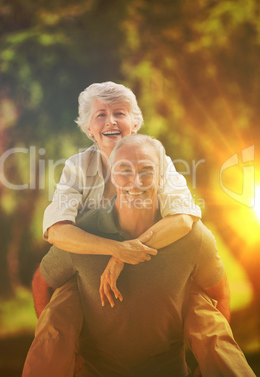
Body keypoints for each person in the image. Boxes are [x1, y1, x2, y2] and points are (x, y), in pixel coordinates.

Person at [25, 134, 255, 376]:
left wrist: (207, 365)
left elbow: (218, 295)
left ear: (162, 177)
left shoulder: (193, 237)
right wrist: (65, 354)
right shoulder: (82, 234)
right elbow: (42, 283)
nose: (136, 182)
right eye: (124, 170)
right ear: (112, 176)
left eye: (146, 170)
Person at [22, 82, 201, 377]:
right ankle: (63, 356)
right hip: (87, 260)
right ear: (89, 129)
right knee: (54, 297)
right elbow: (56, 230)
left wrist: (123, 257)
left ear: (134, 123)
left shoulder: (160, 161)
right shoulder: (77, 166)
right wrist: (114, 249)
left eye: (119, 113)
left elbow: (183, 218)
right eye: (100, 115)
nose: (111, 121)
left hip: (153, 257)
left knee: (199, 297)